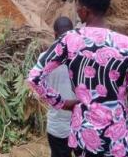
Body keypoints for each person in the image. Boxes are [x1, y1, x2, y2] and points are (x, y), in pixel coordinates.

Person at [29, 0, 128, 157]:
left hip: (84, 136)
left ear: (84, 11)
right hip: (117, 137)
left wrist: (61, 103)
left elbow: (35, 77)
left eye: (77, 6)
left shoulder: (69, 41)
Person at [45, 17, 76, 157]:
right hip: (81, 122)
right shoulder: (84, 58)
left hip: (57, 125)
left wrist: (60, 103)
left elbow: (37, 86)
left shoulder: (44, 59)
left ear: (55, 35)